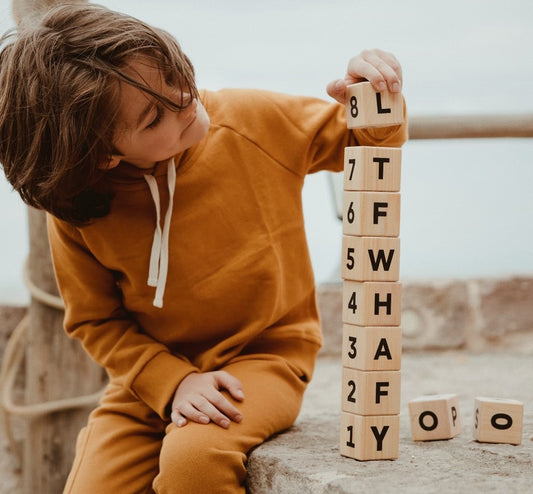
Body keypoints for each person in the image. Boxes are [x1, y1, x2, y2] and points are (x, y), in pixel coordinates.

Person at [0, 4, 407, 493]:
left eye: (177, 76)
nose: (184, 100)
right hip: (145, 386)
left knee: (196, 458)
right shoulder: (78, 208)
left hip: (264, 360)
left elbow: (365, 142)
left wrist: (372, 93)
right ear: (104, 155)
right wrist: (171, 382)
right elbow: (95, 321)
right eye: (155, 116)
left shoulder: (253, 121)